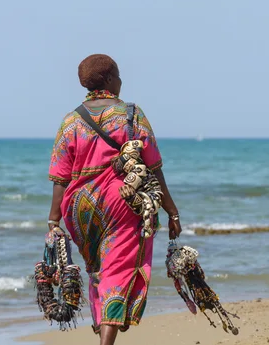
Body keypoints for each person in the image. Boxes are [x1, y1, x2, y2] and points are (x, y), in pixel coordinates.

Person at [47, 54, 182, 345]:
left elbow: (60, 176)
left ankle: (104, 327)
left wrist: (53, 219)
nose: (121, 81)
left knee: (97, 271)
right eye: (118, 75)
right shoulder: (130, 114)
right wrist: (172, 211)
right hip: (121, 202)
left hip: (78, 208)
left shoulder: (70, 121)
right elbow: (153, 166)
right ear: (108, 79)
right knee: (116, 273)